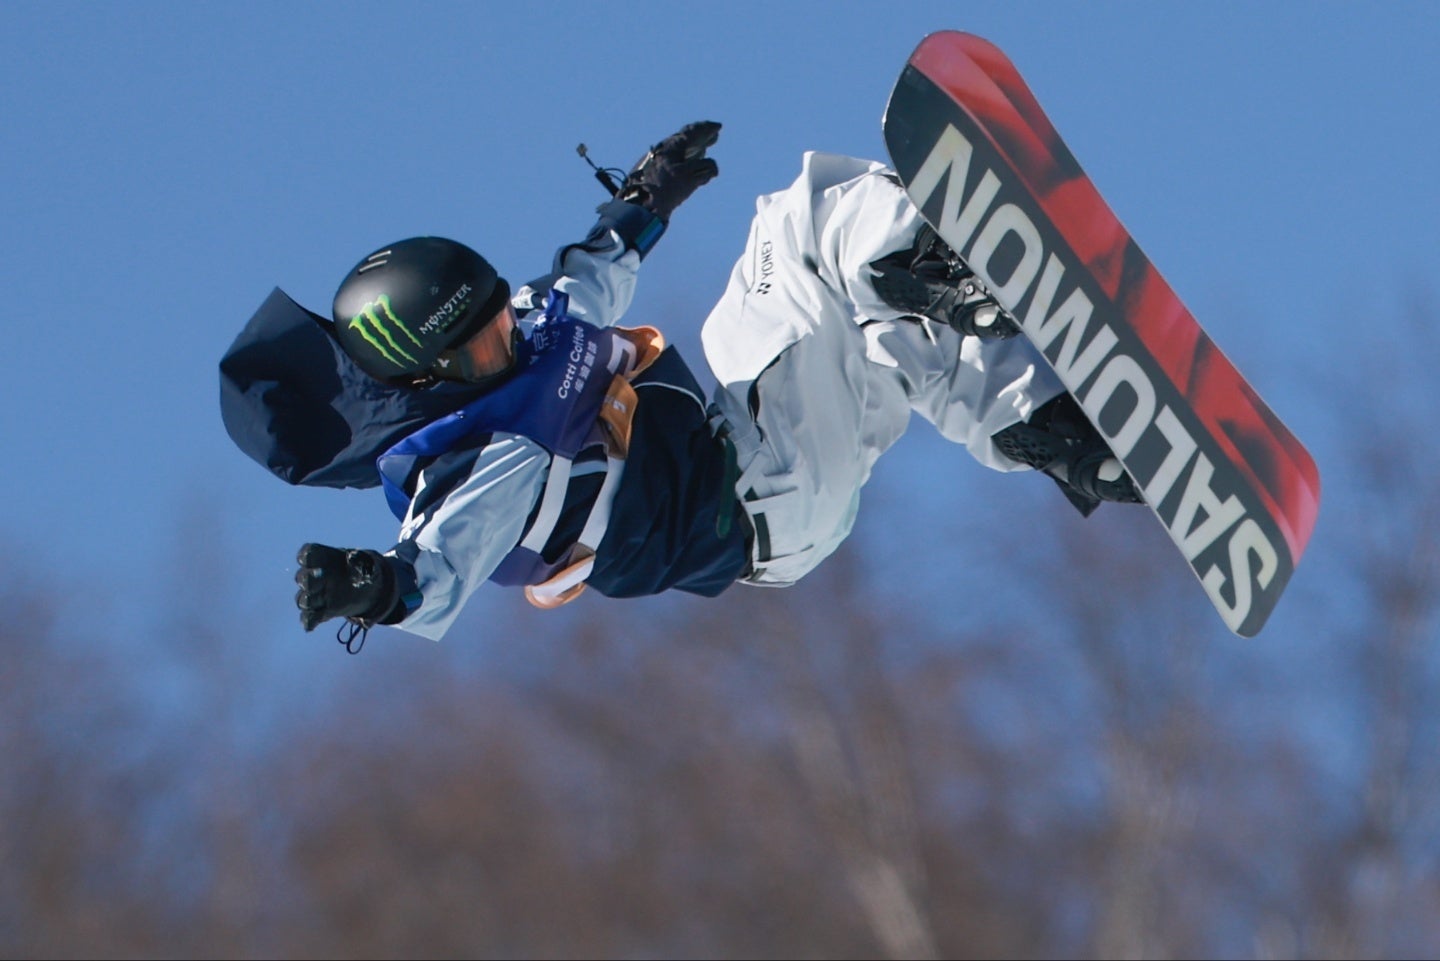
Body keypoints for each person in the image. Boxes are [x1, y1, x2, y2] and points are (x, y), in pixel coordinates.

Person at [219, 121, 1139, 648]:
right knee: (806, 219)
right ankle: (947, 271)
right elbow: (437, 565)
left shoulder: (527, 333)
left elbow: (585, 278)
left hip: (751, 463)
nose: (508, 338)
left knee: (860, 315)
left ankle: (1055, 431)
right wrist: (370, 587)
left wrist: (646, 198)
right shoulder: (480, 457)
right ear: (431, 381)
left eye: (499, 311)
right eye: (481, 345)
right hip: (755, 494)